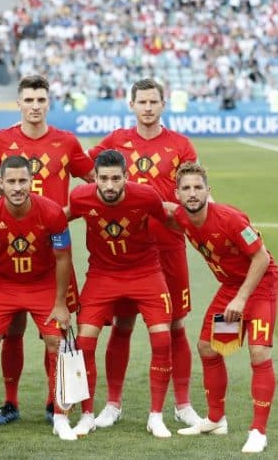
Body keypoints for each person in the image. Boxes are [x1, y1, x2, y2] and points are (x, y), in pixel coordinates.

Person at [88, 78, 202, 429]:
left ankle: (182, 404)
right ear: (132, 105)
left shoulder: (181, 146)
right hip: (126, 250)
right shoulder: (116, 142)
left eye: (154, 102)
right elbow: (84, 169)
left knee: (176, 324)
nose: (148, 108)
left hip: (168, 247)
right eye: (143, 102)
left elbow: (192, 191)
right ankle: (113, 403)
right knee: (122, 325)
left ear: (162, 104)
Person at [0, 74, 94, 424]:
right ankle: (11, 403)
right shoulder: (3, 139)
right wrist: (12, 201)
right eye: (28, 100)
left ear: (49, 103)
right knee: (11, 330)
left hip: (54, 252)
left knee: (56, 331)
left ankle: (53, 403)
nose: (34, 106)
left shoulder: (66, 141)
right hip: (13, 251)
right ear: (19, 103)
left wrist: (68, 213)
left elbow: (93, 180)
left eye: (40, 100)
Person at [169, 162, 278, 454]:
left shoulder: (230, 220)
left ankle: (258, 431)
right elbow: (159, 209)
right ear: (177, 194)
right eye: (186, 188)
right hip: (231, 287)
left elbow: (262, 259)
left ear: (208, 191)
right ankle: (216, 420)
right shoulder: (181, 216)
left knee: (258, 352)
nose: (192, 193)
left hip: (259, 286)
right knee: (209, 347)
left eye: (198, 187)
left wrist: (241, 299)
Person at [0, 155, 73, 440]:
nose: (17, 187)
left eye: (22, 180)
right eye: (10, 181)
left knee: (57, 340)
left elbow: (63, 258)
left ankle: (60, 415)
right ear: (0, 183)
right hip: (4, 285)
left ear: (32, 181)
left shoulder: (52, 213)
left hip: (42, 284)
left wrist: (61, 303)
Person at [67, 150, 174, 438]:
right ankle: (88, 414)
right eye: (104, 179)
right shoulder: (80, 197)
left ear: (126, 177)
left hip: (146, 273)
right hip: (102, 275)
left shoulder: (147, 196)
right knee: (84, 345)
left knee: (163, 340)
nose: (110, 185)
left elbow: (171, 220)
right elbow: (57, 220)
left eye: (116, 178)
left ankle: (156, 416)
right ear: (95, 179)